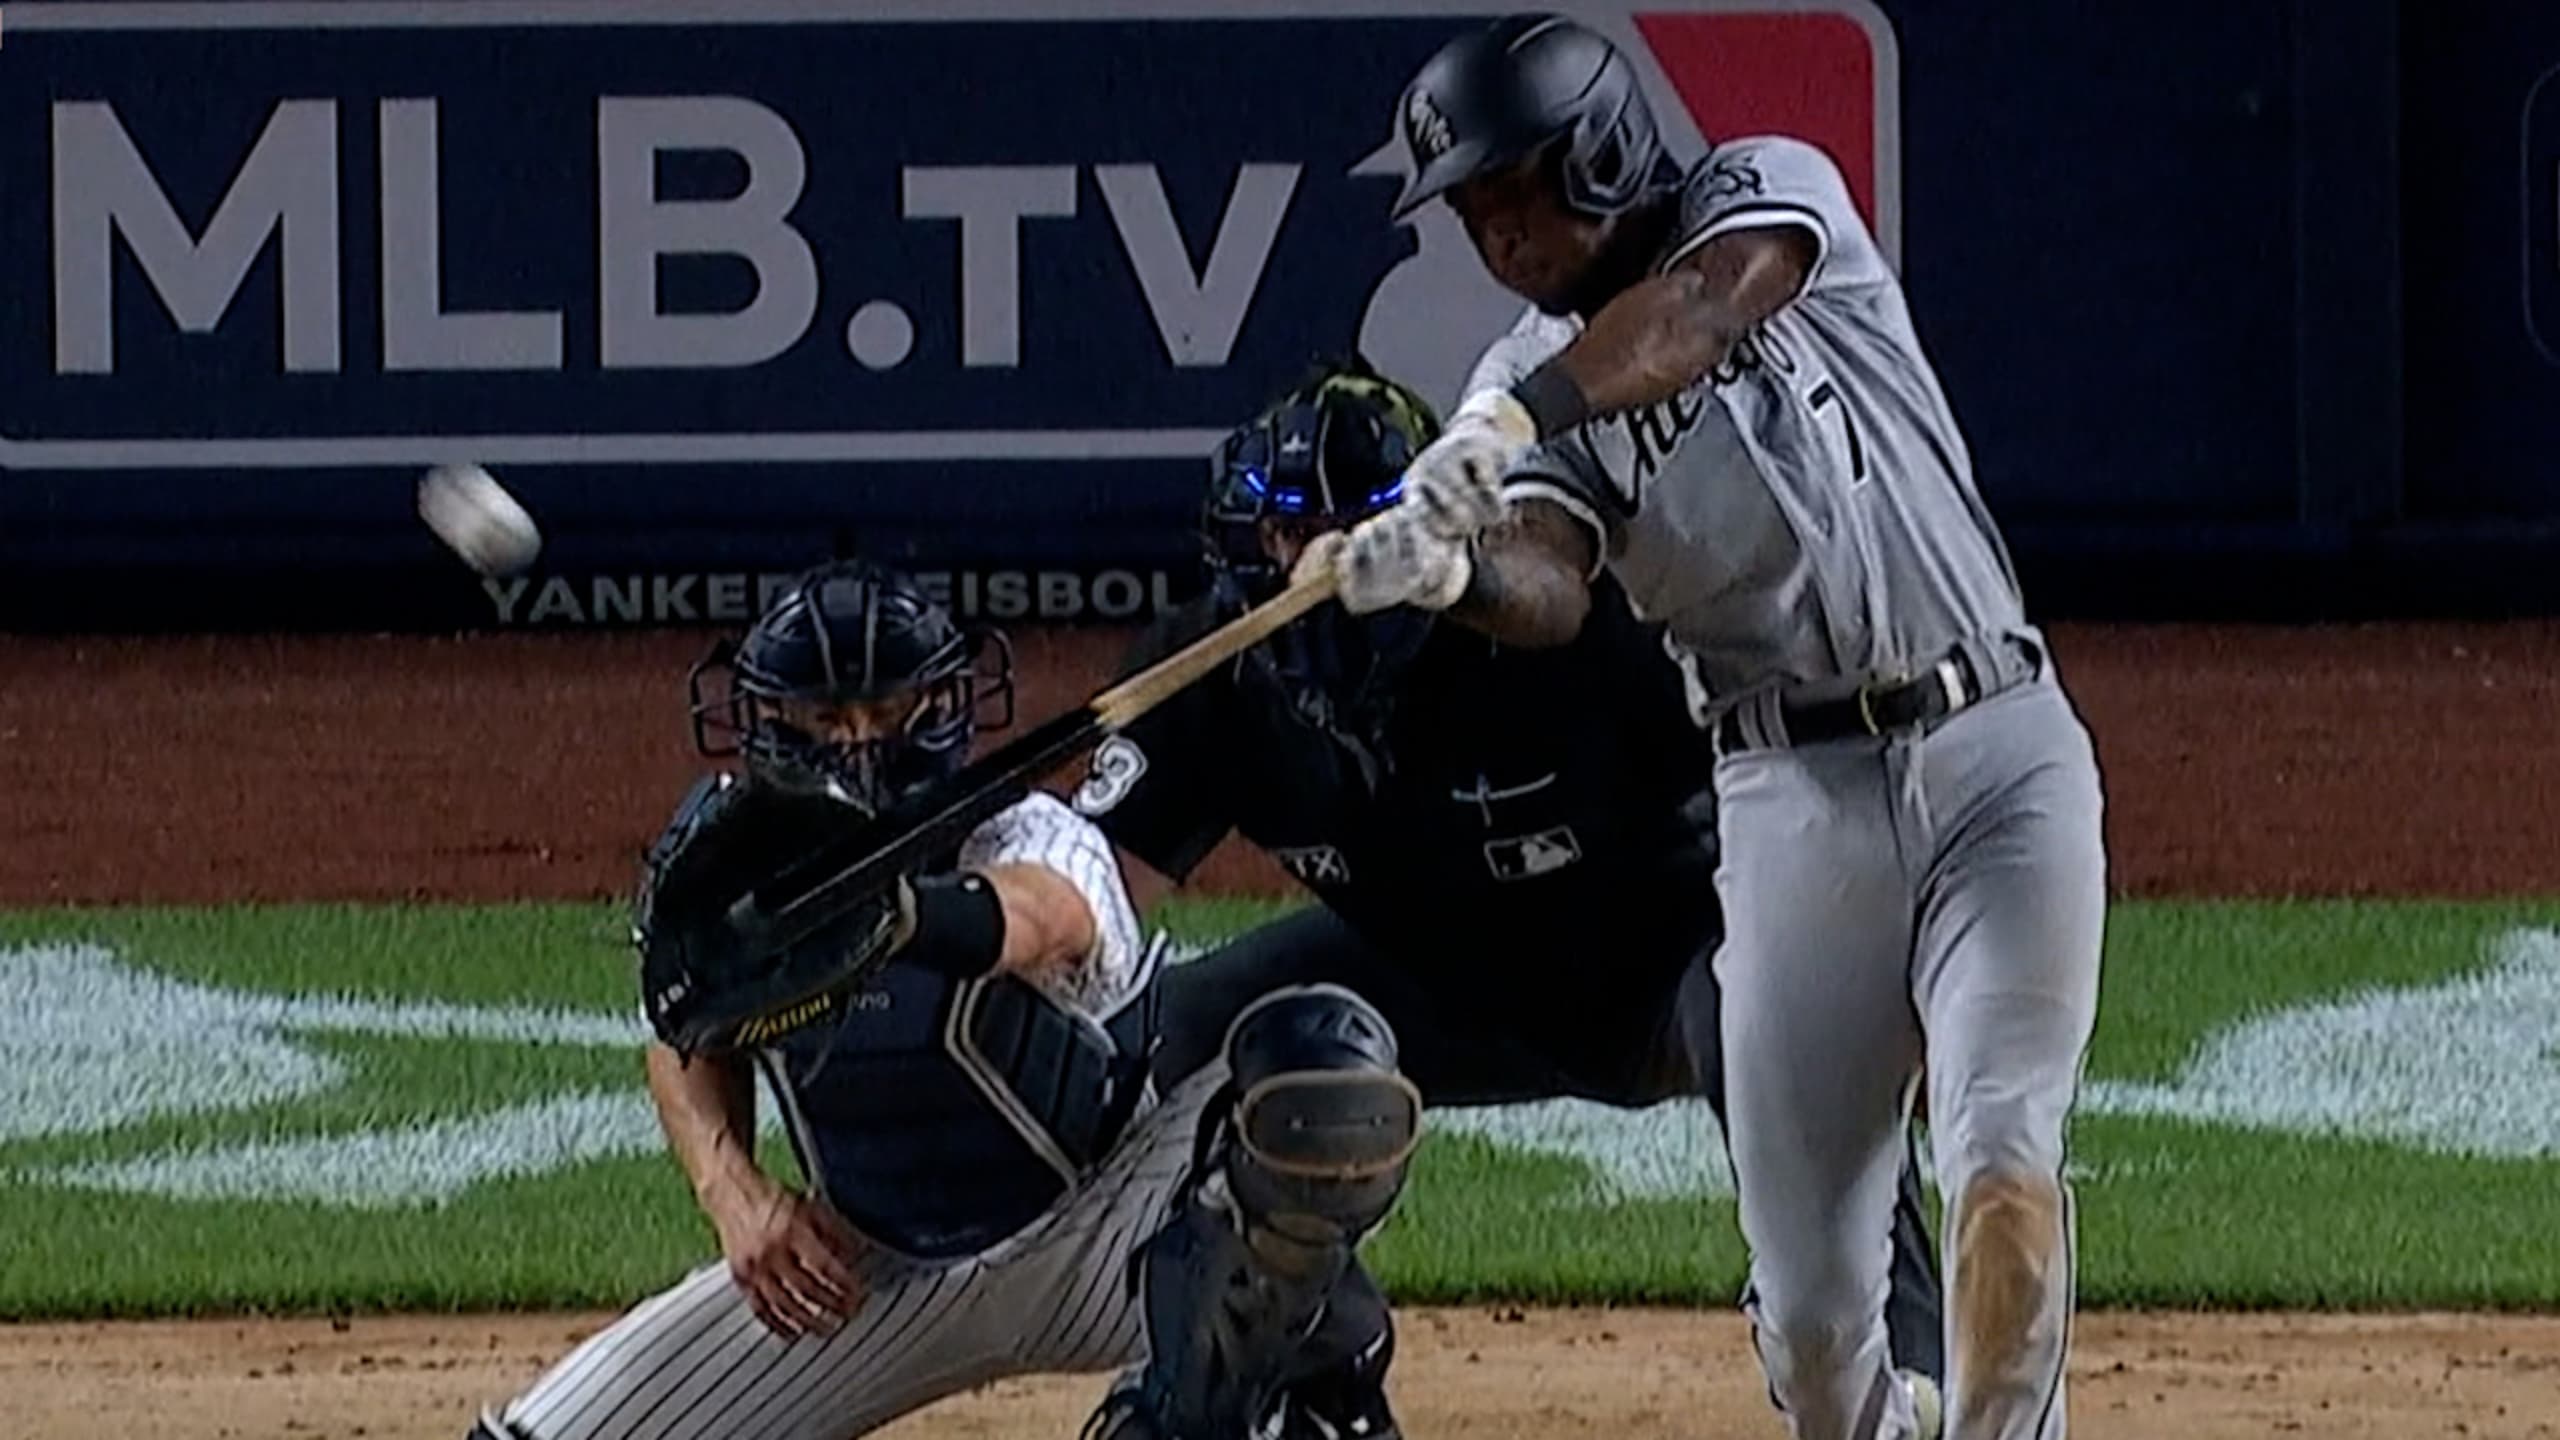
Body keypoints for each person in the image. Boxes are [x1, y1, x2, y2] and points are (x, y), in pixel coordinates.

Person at [1318, 15, 2110, 1440]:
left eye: (1515, 190)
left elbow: (1696, 316)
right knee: (1813, 1323)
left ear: (1606, 147)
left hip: (1999, 750)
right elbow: (1553, 589)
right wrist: (1448, 574)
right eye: (1472, 212)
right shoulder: (1521, 388)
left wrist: (1500, 428)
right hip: (1794, 814)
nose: (1494, 234)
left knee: (2004, 1158)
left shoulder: (1764, 191)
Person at [1070, 358, 1949, 1440]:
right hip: (1432, 992)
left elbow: (1807, 786)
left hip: (1664, 976)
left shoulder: (1574, 632)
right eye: (1283, 535)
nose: (1315, 564)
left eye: (1359, 528)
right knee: (1182, 1036)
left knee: (1771, 1011)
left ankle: (1912, 1380)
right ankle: (1303, 1387)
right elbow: (1085, 904)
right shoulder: (1213, 672)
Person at [467, 559, 1423, 1440]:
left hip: (1114, 1231)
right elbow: (683, 1030)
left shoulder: (1031, 832)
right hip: (867, 1272)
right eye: (820, 718)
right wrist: (736, 1193)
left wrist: (887, 914)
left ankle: (1210, 1411)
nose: (856, 741)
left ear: (944, 709)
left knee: (1319, 1072)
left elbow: (1044, 921)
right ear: (765, 724)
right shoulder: (740, 878)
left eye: (887, 710)